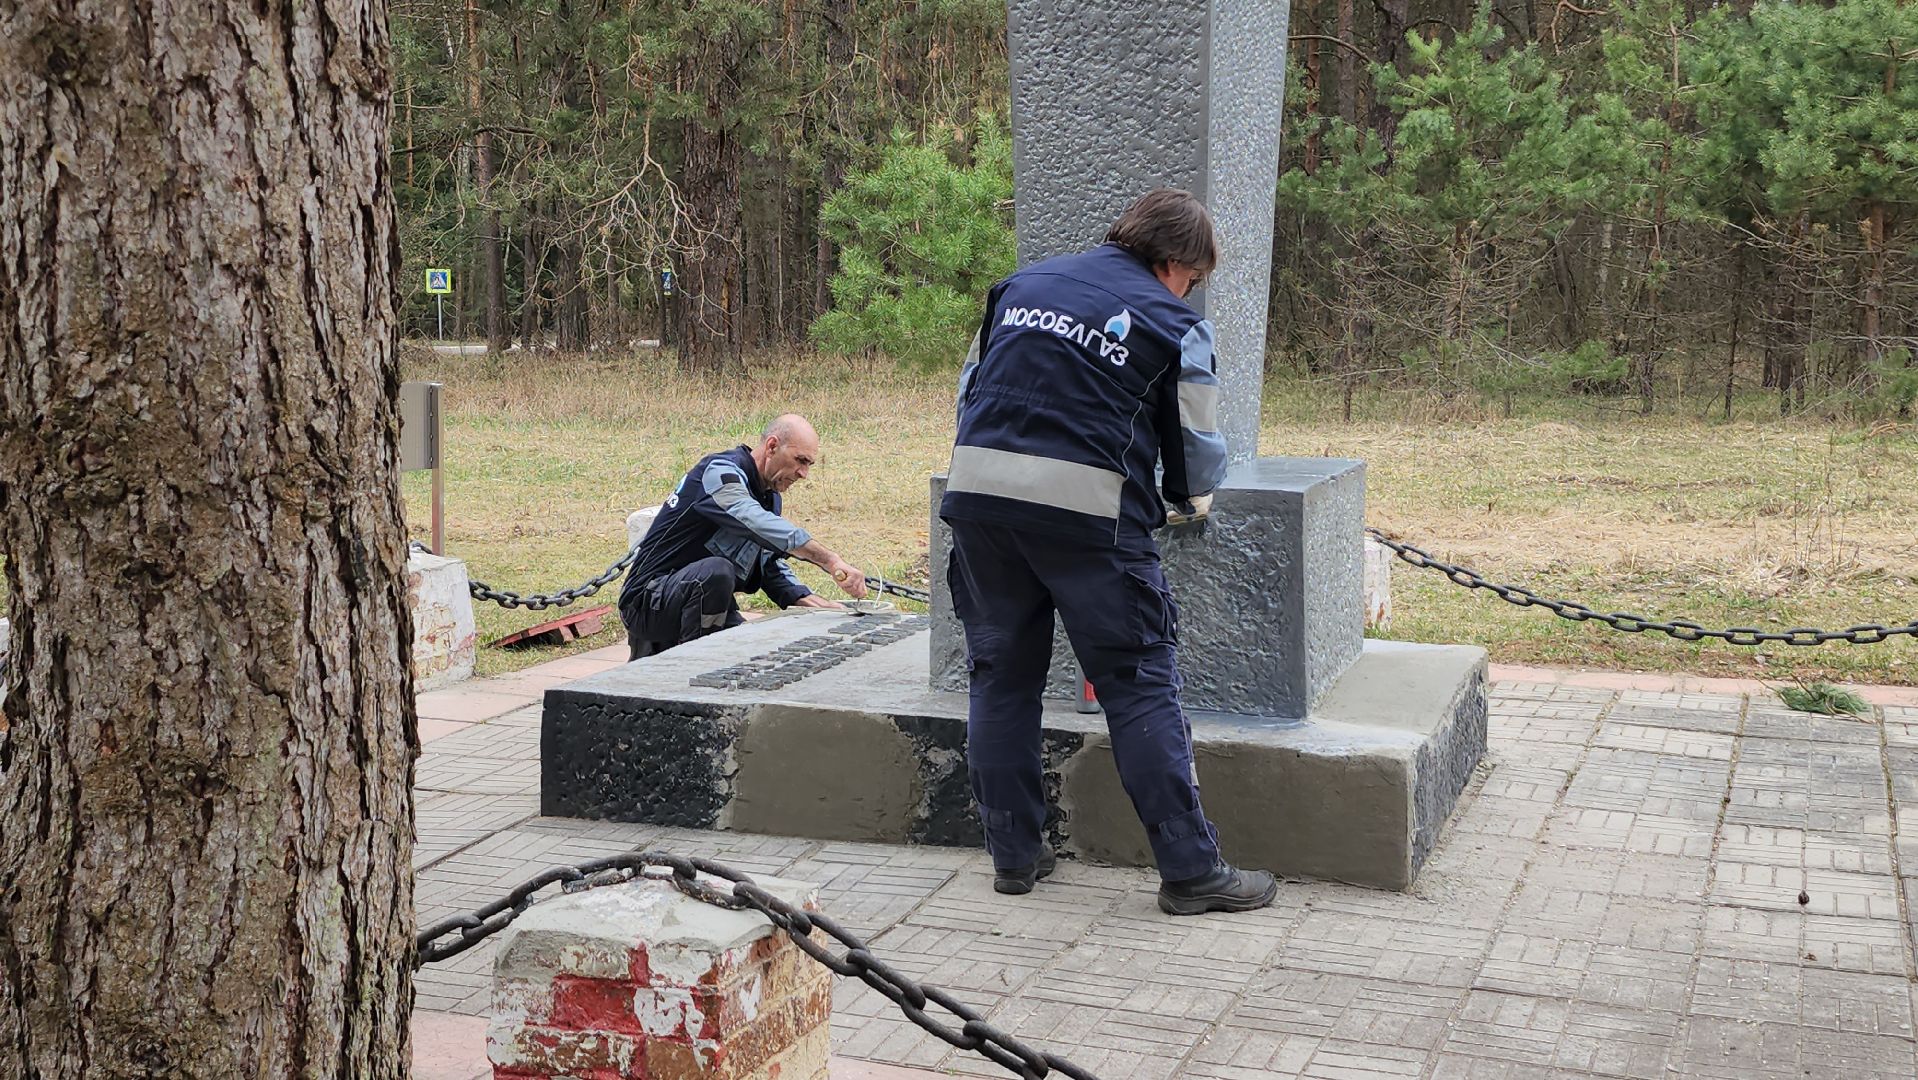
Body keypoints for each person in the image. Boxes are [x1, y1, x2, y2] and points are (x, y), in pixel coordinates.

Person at [940, 188, 1276, 916]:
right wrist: (1188, 497)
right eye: (1193, 279)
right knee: (1138, 683)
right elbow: (1194, 445)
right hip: (1091, 525)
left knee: (1000, 679)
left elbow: (970, 393)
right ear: (1174, 263)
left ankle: (1015, 855)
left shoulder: (1020, 287)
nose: (1192, 292)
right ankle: (1190, 870)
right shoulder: (1174, 321)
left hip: (979, 504)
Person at [619, 414, 868, 660]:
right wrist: (829, 560)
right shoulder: (720, 472)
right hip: (647, 603)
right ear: (771, 446)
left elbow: (766, 562)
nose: (803, 473)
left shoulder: (769, 497)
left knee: (756, 656)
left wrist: (807, 600)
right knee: (717, 571)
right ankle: (692, 667)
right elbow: (753, 521)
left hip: (703, 601)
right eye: (800, 460)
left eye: (809, 464)